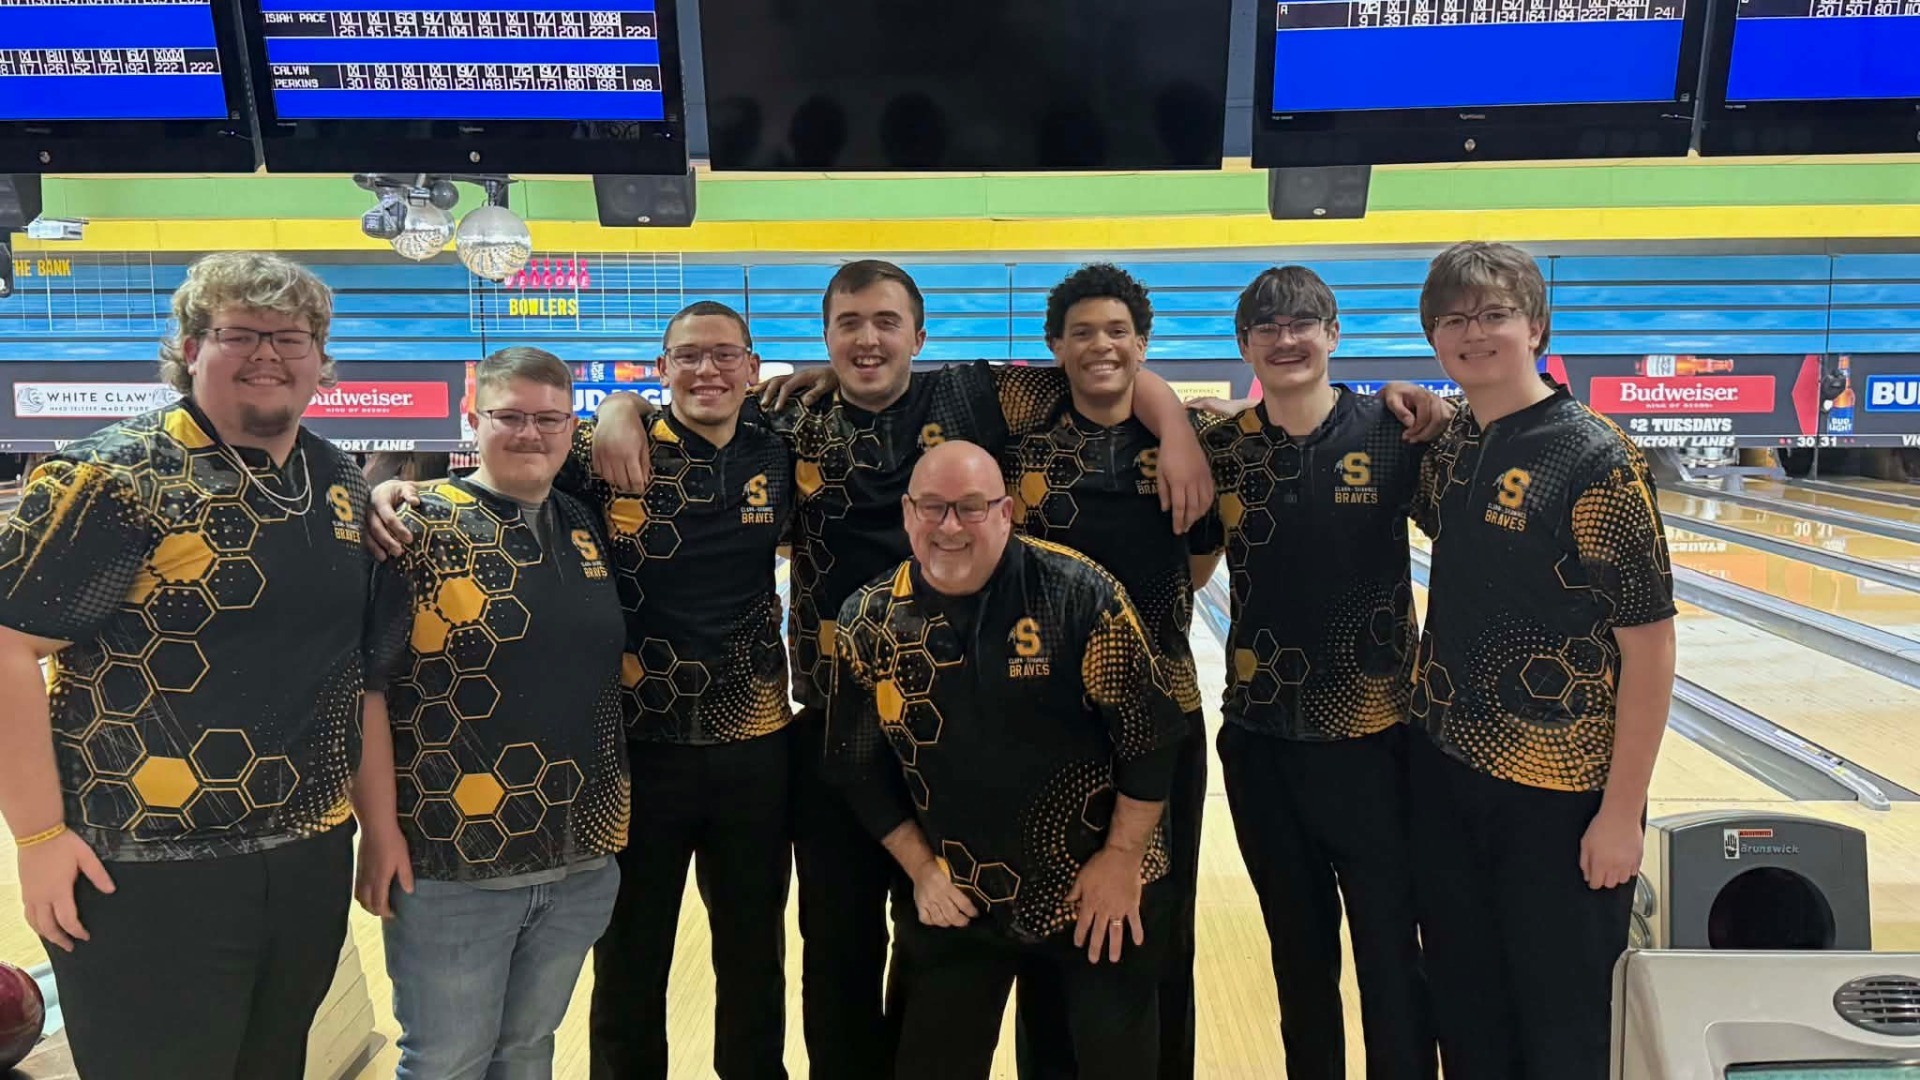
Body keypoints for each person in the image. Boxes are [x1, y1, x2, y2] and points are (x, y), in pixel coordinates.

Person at [589, 258, 1215, 1078]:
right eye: (849, 324)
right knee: (837, 946)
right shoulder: (790, 420)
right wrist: (621, 407)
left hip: (967, 727)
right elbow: (693, 398)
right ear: (824, 339)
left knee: (957, 936)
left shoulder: (972, 394)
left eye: (886, 322)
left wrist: (1178, 431)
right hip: (842, 722)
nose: (868, 339)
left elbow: (1102, 369)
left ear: (919, 336)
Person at [0, 251, 370, 1078]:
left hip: (306, 853)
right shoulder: (110, 475)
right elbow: (6, 645)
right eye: (241, 334)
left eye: (291, 337)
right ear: (192, 347)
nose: (268, 354)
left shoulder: (336, 477)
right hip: (142, 866)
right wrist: (38, 837)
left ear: (320, 358)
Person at [829, 440, 1190, 1080]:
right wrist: (922, 871)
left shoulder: (1077, 593)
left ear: (1005, 513)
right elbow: (856, 766)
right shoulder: (870, 619)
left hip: (1093, 892)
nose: (949, 526)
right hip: (959, 897)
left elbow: (1150, 738)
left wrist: (1120, 858)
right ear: (908, 514)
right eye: (933, 507)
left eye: (971, 507)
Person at [1408, 241, 1676, 1080]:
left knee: (1563, 1032)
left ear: (1536, 327)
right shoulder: (1457, 441)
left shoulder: (1597, 457)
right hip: (1449, 776)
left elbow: (1651, 646)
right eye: (1453, 319)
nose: (1473, 332)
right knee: (1468, 1016)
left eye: (1494, 314)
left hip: (1562, 798)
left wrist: (1621, 814)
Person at [1193, 265, 1441, 1080]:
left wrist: (1444, 408)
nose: (1287, 338)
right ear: (1244, 346)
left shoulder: (1393, 432)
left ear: (1333, 335)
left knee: (1392, 960)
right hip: (1262, 743)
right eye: (1267, 327)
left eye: (1303, 323)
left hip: (1380, 743)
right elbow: (1190, 569)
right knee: (1299, 963)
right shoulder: (1222, 449)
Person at [354, 346, 629, 1079]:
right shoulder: (415, 528)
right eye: (510, 416)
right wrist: (378, 832)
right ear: (471, 419)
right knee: (447, 1060)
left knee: (527, 1051)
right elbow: (367, 689)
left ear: (572, 428)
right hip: (452, 863)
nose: (530, 433)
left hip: (581, 858)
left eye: (549, 419)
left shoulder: (582, 520)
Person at [1001, 264, 1220, 1080]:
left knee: (1161, 928)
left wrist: (1180, 430)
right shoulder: (1022, 434)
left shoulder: (1186, 449)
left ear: (1143, 344)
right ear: (1055, 346)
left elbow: (1199, 566)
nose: (1102, 345)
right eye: (1083, 332)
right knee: (1043, 924)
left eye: (1118, 331)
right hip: (1045, 722)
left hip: (1162, 722)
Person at [577, 304, 796, 1080]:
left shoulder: (783, 448)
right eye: (689, 356)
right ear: (662, 367)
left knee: (754, 956)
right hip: (637, 751)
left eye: (725, 355)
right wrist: (395, 497)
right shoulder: (600, 454)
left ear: (752, 368)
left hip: (756, 749)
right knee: (629, 957)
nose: (708, 370)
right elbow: (496, 484)